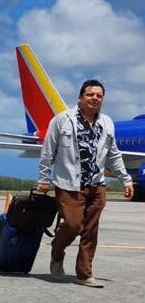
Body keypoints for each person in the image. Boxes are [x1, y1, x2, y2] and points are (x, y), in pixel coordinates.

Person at [37, 79, 133, 288]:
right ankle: (57, 250)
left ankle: (84, 274)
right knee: (72, 224)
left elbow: (113, 154)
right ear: (80, 97)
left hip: (97, 184)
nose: (95, 98)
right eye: (90, 94)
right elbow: (47, 152)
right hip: (70, 183)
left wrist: (126, 179)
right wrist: (43, 178)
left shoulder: (107, 123)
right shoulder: (62, 120)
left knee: (91, 230)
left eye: (99, 95)